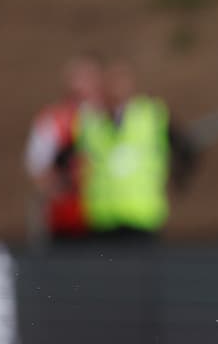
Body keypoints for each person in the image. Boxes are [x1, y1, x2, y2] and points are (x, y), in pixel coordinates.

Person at [68, 59, 197, 241]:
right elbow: (66, 157)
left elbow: (185, 146)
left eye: (120, 82)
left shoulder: (151, 115)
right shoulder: (89, 121)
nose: (116, 89)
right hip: (102, 219)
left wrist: (177, 180)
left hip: (142, 216)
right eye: (111, 83)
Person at [24, 52, 104, 242]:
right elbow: (36, 166)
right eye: (77, 79)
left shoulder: (109, 118)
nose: (81, 86)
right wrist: (60, 185)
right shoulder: (53, 119)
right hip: (65, 217)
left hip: (108, 216)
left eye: (87, 79)